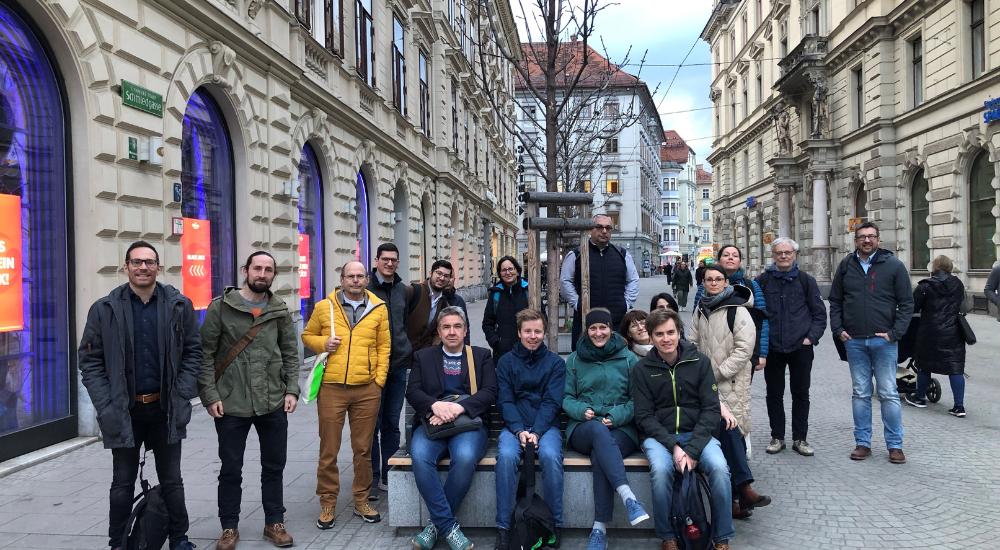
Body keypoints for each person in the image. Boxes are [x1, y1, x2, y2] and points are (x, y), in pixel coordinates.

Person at [79, 241, 201, 550]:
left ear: (158, 267)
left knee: (172, 479)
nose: (142, 267)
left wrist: (184, 392)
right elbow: (90, 360)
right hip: (124, 412)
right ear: (126, 267)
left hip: (165, 410)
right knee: (122, 483)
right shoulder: (104, 308)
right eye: (136, 262)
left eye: (149, 262)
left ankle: (179, 538)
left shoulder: (178, 305)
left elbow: (193, 352)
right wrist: (105, 404)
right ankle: (118, 542)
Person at [198, 251, 300, 549]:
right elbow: (205, 355)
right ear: (246, 270)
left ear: (273, 275)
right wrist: (210, 395)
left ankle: (274, 522)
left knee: (274, 465)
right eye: (258, 268)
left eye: (269, 270)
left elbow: (290, 353)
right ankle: (229, 527)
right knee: (231, 468)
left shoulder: (279, 309)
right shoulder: (221, 308)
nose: (262, 274)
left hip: (272, 401)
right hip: (232, 402)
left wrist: (291, 390)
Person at [631, 308, 734, 550]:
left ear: (679, 332)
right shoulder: (642, 369)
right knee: (661, 471)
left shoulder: (700, 362)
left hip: (697, 433)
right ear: (651, 337)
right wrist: (675, 447)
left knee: (720, 469)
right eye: (659, 334)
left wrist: (693, 449)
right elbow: (644, 417)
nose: (666, 339)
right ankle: (668, 536)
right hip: (660, 437)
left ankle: (722, 537)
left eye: (670, 332)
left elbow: (710, 410)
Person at [302, 261, 390, 527]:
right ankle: (327, 503)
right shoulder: (324, 307)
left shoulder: (378, 308)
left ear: (366, 279)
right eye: (350, 276)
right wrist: (322, 343)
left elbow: (384, 345)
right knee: (328, 449)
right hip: (332, 387)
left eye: (359, 276)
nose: (355, 280)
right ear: (341, 279)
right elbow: (307, 335)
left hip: (367, 389)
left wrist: (379, 381)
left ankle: (361, 499)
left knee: (363, 449)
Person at [406, 307, 497, 550]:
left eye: (457, 326)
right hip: (433, 423)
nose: (452, 331)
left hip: (467, 423)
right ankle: (448, 527)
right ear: (439, 331)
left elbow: (490, 391)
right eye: (446, 327)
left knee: (465, 457)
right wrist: (435, 406)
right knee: (420, 456)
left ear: (466, 330)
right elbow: (413, 391)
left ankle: (435, 527)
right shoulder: (423, 357)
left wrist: (458, 408)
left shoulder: (480, 355)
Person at [689, 265, 771, 521]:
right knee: (723, 437)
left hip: (731, 383)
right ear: (703, 283)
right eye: (709, 279)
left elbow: (744, 350)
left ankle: (740, 494)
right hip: (706, 384)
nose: (713, 283)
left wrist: (714, 373)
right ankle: (739, 496)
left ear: (726, 282)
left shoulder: (739, 310)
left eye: (718, 279)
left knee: (733, 432)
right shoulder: (701, 309)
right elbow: (692, 342)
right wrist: (699, 372)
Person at [564, 308, 649, 549]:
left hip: (621, 428)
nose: (598, 332)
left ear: (611, 329)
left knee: (600, 453)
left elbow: (636, 400)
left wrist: (616, 415)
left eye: (603, 327)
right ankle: (629, 497)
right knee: (598, 432)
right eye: (593, 328)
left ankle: (599, 528)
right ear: (587, 331)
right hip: (583, 427)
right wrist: (581, 411)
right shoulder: (574, 359)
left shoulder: (628, 359)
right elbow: (567, 397)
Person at [829, 222, 913, 464]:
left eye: (871, 236)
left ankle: (895, 446)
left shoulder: (894, 265)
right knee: (860, 393)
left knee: (888, 393)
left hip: (884, 342)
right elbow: (835, 300)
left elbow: (907, 303)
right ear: (856, 241)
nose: (867, 240)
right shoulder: (846, 265)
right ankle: (862, 443)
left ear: (878, 239)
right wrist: (839, 330)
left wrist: (895, 333)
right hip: (854, 341)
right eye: (862, 237)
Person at [494, 309, 567, 550]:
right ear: (519, 333)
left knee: (550, 456)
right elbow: (505, 400)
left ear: (544, 333)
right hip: (514, 428)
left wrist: (536, 432)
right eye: (528, 331)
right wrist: (518, 431)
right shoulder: (505, 362)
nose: (533, 336)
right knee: (505, 457)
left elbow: (552, 401)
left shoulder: (555, 363)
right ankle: (504, 527)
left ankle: (554, 525)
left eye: (537, 331)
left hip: (545, 428)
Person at [756, 238, 827, 457]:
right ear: (773, 256)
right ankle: (777, 437)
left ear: (795, 255)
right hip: (774, 348)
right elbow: (756, 315)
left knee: (801, 393)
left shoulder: (806, 281)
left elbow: (819, 314)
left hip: (801, 347)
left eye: (787, 252)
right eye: (779, 253)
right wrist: (761, 347)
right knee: (774, 394)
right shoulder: (763, 281)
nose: (784, 256)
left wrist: (810, 338)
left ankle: (800, 438)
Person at [367, 243, 414, 501]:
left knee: (391, 423)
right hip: (372, 368)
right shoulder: (365, 289)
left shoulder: (402, 290)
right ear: (377, 261)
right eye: (385, 259)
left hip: (397, 366)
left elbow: (406, 322)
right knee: (371, 423)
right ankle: (372, 478)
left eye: (394, 260)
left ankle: (390, 472)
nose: (389, 263)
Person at [560, 214, 640, 350]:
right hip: (585, 322)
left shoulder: (622, 254)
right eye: (599, 227)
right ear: (591, 229)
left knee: (617, 360)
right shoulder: (577, 254)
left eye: (608, 228)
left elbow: (633, 280)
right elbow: (565, 281)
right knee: (584, 362)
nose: (604, 231)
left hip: (616, 322)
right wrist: (577, 303)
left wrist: (626, 304)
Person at [904, 255, 968, 417]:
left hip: (929, 332)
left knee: (925, 365)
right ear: (949, 267)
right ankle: (959, 407)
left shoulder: (925, 286)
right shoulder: (958, 284)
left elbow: (913, 306)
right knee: (956, 368)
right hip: (953, 332)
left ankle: (919, 398)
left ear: (934, 267)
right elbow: (964, 306)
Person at [694, 245, 769, 370]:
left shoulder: (751, 286)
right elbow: (696, 320)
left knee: (739, 389)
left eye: (735, 256)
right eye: (726, 255)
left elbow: (762, 320)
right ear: (719, 260)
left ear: (740, 261)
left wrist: (762, 353)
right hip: (709, 352)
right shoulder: (705, 287)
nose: (730, 258)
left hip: (743, 353)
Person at [408, 259, 470, 352]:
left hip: (423, 357)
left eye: (446, 276)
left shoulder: (444, 304)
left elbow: (439, 331)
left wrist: (432, 350)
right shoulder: (413, 291)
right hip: (402, 356)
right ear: (431, 273)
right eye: (439, 273)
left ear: (449, 279)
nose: (442, 278)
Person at [482, 255, 530, 362]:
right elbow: (487, 323)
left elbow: (542, 317)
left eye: (510, 269)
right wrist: (496, 342)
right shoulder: (496, 294)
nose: (507, 273)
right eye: (503, 270)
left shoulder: (528, 290)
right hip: (502, 353)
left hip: (528, 350)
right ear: (500, 274)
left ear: (517, 271)